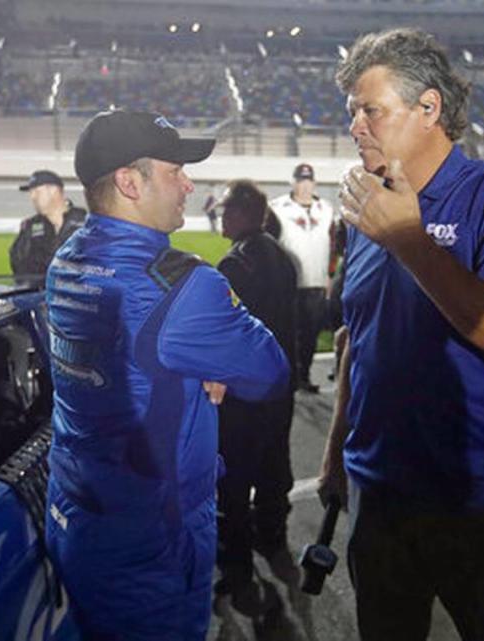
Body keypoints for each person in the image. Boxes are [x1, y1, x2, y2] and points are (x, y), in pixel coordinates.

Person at [320, 28, 484, 641]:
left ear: (429, 108)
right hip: (379, 493)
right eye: (352, 114)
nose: (356, 127)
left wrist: (409, 242)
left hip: (474, 500)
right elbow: (359, 337)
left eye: (371, 111)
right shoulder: (369, 208)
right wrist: (335, 451)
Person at [43, 110, 289, 641]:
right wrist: (212, 361)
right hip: (151, 538)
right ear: (130, 183)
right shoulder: (184, 285)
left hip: (74, 511)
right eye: (175, 169)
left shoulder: (66, 258)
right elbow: (270, 371)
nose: (188, 182)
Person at [214, 179, 300, 615]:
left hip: (244, 392)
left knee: (234, 479)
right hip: (278, 386)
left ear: (248, 213)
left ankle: (237, 565)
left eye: (228, 209)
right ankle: (273, 536)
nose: (222, 216)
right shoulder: (283, 258)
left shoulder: (236, 264)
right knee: (273, 466)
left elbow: (221, 333)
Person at [269, 163, 334, 393]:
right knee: (288, 335)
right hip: (290, 286)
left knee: (310, 335)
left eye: (308, 180)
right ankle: (288, 377)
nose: (304, 185)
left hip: (316, 283)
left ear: (314, 182)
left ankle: (303, 375)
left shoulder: (326, 209)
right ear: (293, 182)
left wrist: (329, 276)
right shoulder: (277, 208)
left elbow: (332, 244)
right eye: (300, 180)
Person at [10, 169, 87, 287]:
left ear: (54, 190)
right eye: (31, 192)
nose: (33, 197)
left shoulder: (85, 221)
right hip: (40, 299)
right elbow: (18, 267)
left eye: (36, 191)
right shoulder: (30, 227)